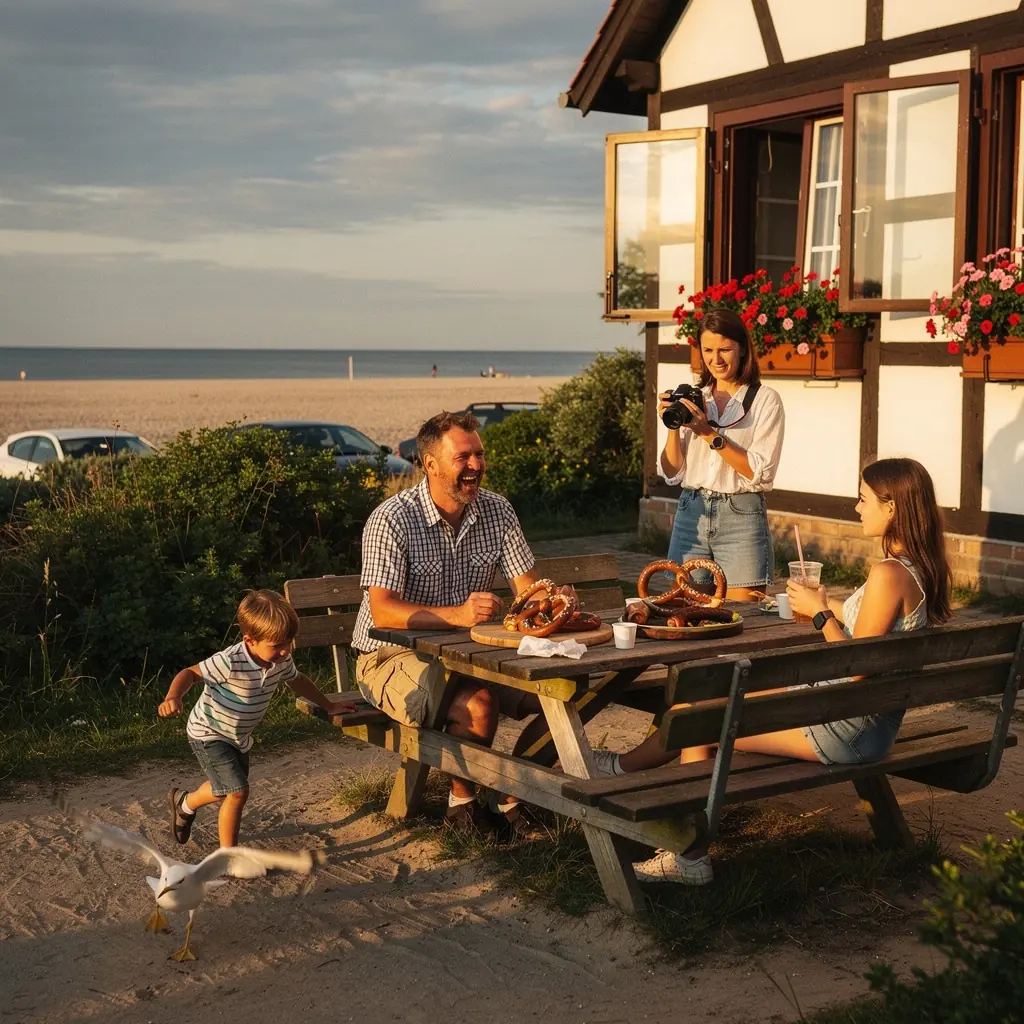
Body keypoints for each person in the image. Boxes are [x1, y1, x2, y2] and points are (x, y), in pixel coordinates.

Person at [596, 457, 952, 885]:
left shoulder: (887, 573)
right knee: (706, 703)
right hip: (872, 724)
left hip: (848, 728)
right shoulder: (918, 569)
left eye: (863, 500)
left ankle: (684, 850)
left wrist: (822, 616)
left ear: (891, 507)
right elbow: (874, 631)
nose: (857, 508)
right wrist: (827, 605)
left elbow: (858, 667)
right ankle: (623, 771)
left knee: (699, 716)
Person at [352, 409, 541, 834]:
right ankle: (463, 804)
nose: (475, 466)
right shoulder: (392, 519)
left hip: (472, 653)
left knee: (565, 693)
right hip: (388, 655)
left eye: (479, 454)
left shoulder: (498, 510)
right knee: (476, 702)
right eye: (463, 458)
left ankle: (513, 792)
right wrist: (455, 615)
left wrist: (550, 599)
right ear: (431, 464)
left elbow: (529, 589)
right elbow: (383, 611)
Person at [158, 590, 350, 848]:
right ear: (250, 640)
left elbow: (297, 681)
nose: (285, 651)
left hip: (238, 738)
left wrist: (328, 705)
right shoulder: (230, 661)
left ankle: (185, 803)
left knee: (224, 789)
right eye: (277, 646)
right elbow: (190, 673)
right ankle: (230, 857)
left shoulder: (281, 660)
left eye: (289, 642)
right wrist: (174, 696)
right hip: (209, 733)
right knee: (237, 792)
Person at [661, 308, 785, 602]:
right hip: (692, 510)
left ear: (742, 349)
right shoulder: (694, 397)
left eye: (725, 349)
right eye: (708, 350)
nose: (716, 359)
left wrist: (707, 433)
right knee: (685, 613)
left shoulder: (765, 400)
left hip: (741, 514)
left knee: (746, 620)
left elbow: (760, 472)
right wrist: (672, 425)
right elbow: (671, 473)